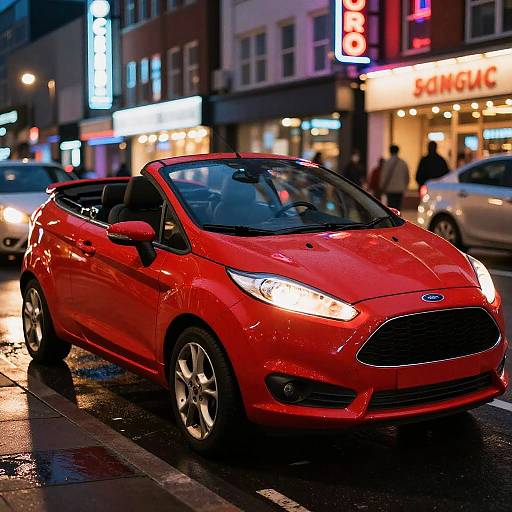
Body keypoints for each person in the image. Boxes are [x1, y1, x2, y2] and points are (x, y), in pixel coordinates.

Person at [379, 145, 409, 210]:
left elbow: (383, 177)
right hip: (400, 189)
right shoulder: (403, 163)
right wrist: (405, 186)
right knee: (398, 209)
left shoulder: (387, 163)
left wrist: (382, 187)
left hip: (390, 189)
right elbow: (407, 177)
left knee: (391, 209)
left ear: (390, 151)